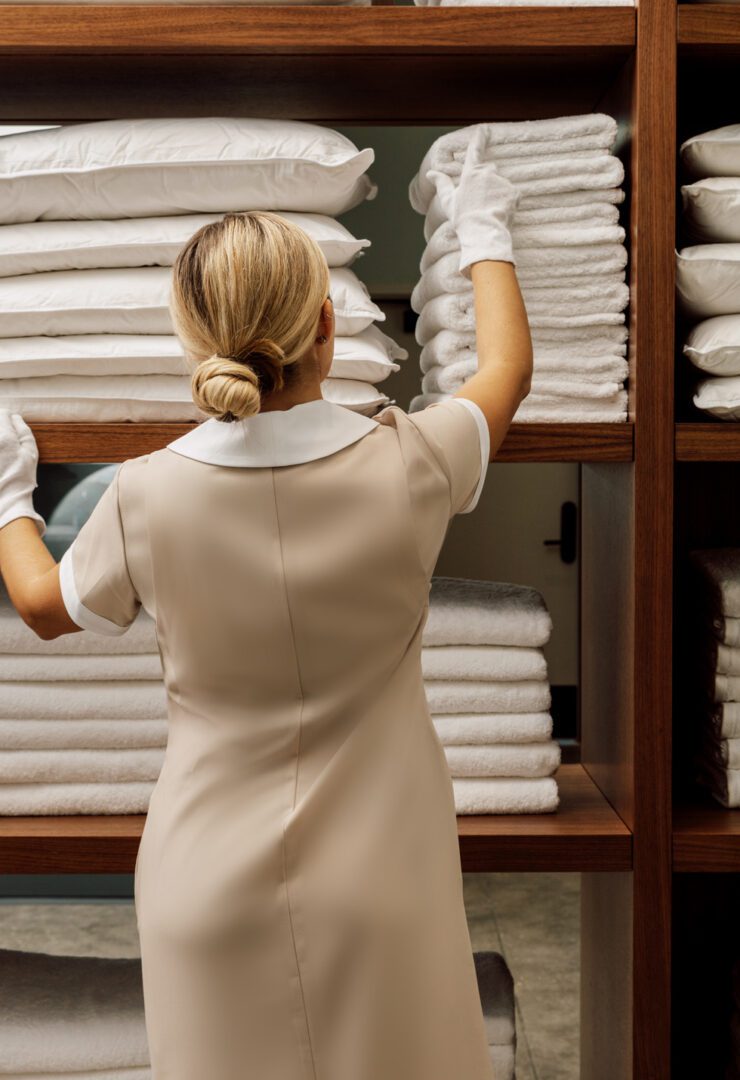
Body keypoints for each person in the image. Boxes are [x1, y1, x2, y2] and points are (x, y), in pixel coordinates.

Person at [0, 128, 531, 1080]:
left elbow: (42, 605)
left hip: (205, 888)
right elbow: (504, 375)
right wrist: (482, 223)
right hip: (386, 882)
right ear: (328, 326)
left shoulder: (145, 494)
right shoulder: (410, 460)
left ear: (193, 345)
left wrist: (8, 491)